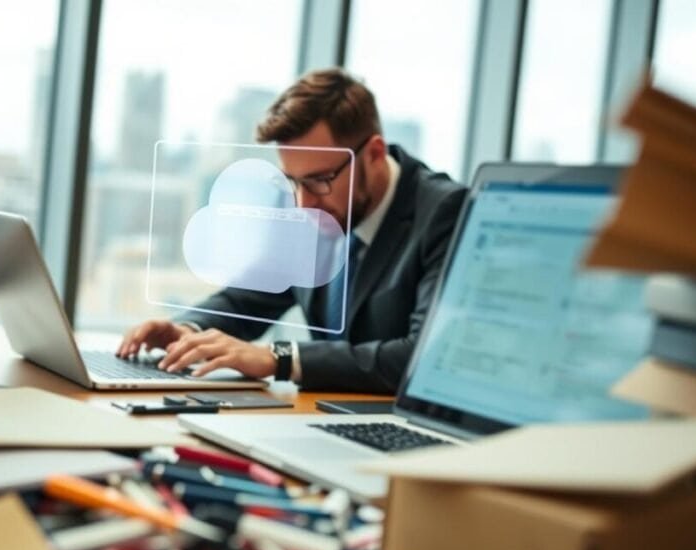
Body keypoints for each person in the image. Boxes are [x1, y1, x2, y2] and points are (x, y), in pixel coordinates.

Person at [116, 68, 467, 394]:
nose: (303, 204)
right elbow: (248, 297)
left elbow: (421, 358)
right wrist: (187, 330)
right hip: (320, 417)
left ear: (374, 153)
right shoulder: (314, 203)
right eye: (292, 181)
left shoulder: (446, 214)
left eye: (320, 180)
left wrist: (280, 357)